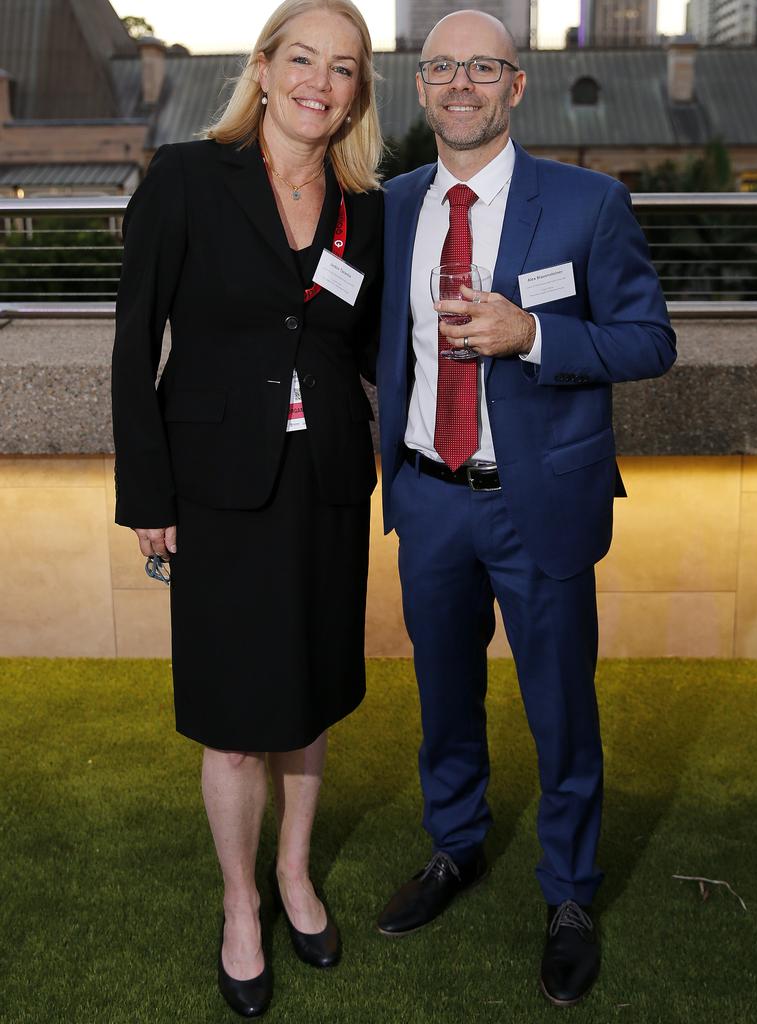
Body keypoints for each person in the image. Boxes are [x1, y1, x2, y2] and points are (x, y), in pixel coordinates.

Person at [375, 9, 676, 1008]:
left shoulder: (589, 204)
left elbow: (647, 342)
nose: (461, 84)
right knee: (444, 698)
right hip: (427, 496)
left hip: (537, 501)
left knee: (560, 711)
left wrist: (532, 335)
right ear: (420, 87)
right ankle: (455, 847)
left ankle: (571, 895)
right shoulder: (393, 205)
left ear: (515, 85)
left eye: (482, 68)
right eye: (441, 68)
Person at [111, 0, 383, 1016]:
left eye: (344, 68)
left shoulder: (369, 205)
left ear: (358, 91)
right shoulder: (186, 178)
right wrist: (147, 493)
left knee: (307, 699)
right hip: (219, 489)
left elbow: (358, 348)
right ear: (264, 70)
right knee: (234, 721)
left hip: (325, 488)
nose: (321, 81)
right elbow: (133, 347)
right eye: (303, 58)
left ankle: (296, 874)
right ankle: (240, 903)